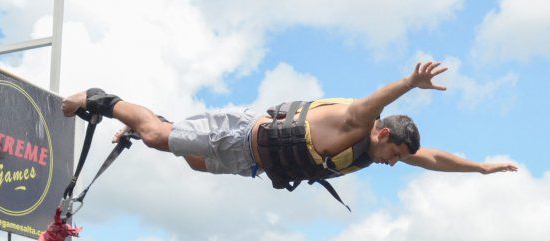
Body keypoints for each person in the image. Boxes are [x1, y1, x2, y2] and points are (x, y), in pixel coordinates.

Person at [61, 61, 517, 209]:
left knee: (194, 163)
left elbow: (432, 158)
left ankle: (159, 122)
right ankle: (100, 99)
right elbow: (372, 103)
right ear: (381, 133)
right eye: (394, 153)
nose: (394, 162)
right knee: (157, 138)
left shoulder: (376, 150)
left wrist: (480, 168)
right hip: (243, 135)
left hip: (252, 162)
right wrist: (409, 83)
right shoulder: (357, 122)